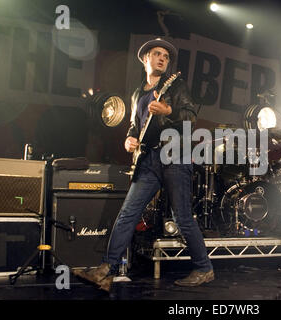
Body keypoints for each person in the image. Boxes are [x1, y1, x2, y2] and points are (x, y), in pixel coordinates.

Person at [73, 38, 214, 292]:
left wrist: (168, 110)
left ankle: (204, 268)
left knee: (181, 217)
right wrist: (129, 138)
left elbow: (190, 117)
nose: (162, 58)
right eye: (157, 54)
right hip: (148, 159)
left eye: (166, 57)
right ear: (145, 59)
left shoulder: (176, 85)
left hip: (174, 155)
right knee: (128, 213)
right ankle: (106, 271)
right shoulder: (138, 93)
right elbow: (135, 125)